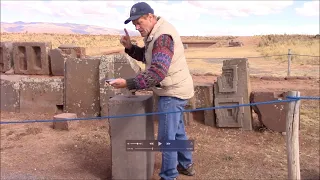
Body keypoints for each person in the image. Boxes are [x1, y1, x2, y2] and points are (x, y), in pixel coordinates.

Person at [108, 2, 195, 180]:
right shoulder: (155, 33)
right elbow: (148, 57)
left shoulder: (162, 37)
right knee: (177, 130)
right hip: (177, 88)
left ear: (150, 16)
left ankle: (168, 176)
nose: (137, 28)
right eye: (134, 25)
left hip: (172, 92)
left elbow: (157, 72)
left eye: (139, 23)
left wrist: (128, 83)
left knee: (166, 139)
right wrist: (130, 47)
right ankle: (186, 164)